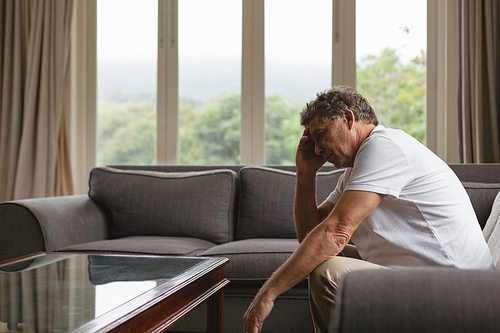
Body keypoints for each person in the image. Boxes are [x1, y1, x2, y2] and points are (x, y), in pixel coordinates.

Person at [242, 85, 494, 333]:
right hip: (431, 279)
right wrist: (305, 173)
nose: (317, 149)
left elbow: (335, 233)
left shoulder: (384, 146)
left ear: (348, 118)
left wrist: (268, 293)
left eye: (320, 134)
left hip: (461, 288)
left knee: (328, 272)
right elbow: (310, 235)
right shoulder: (355, 170)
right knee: (320, 256)